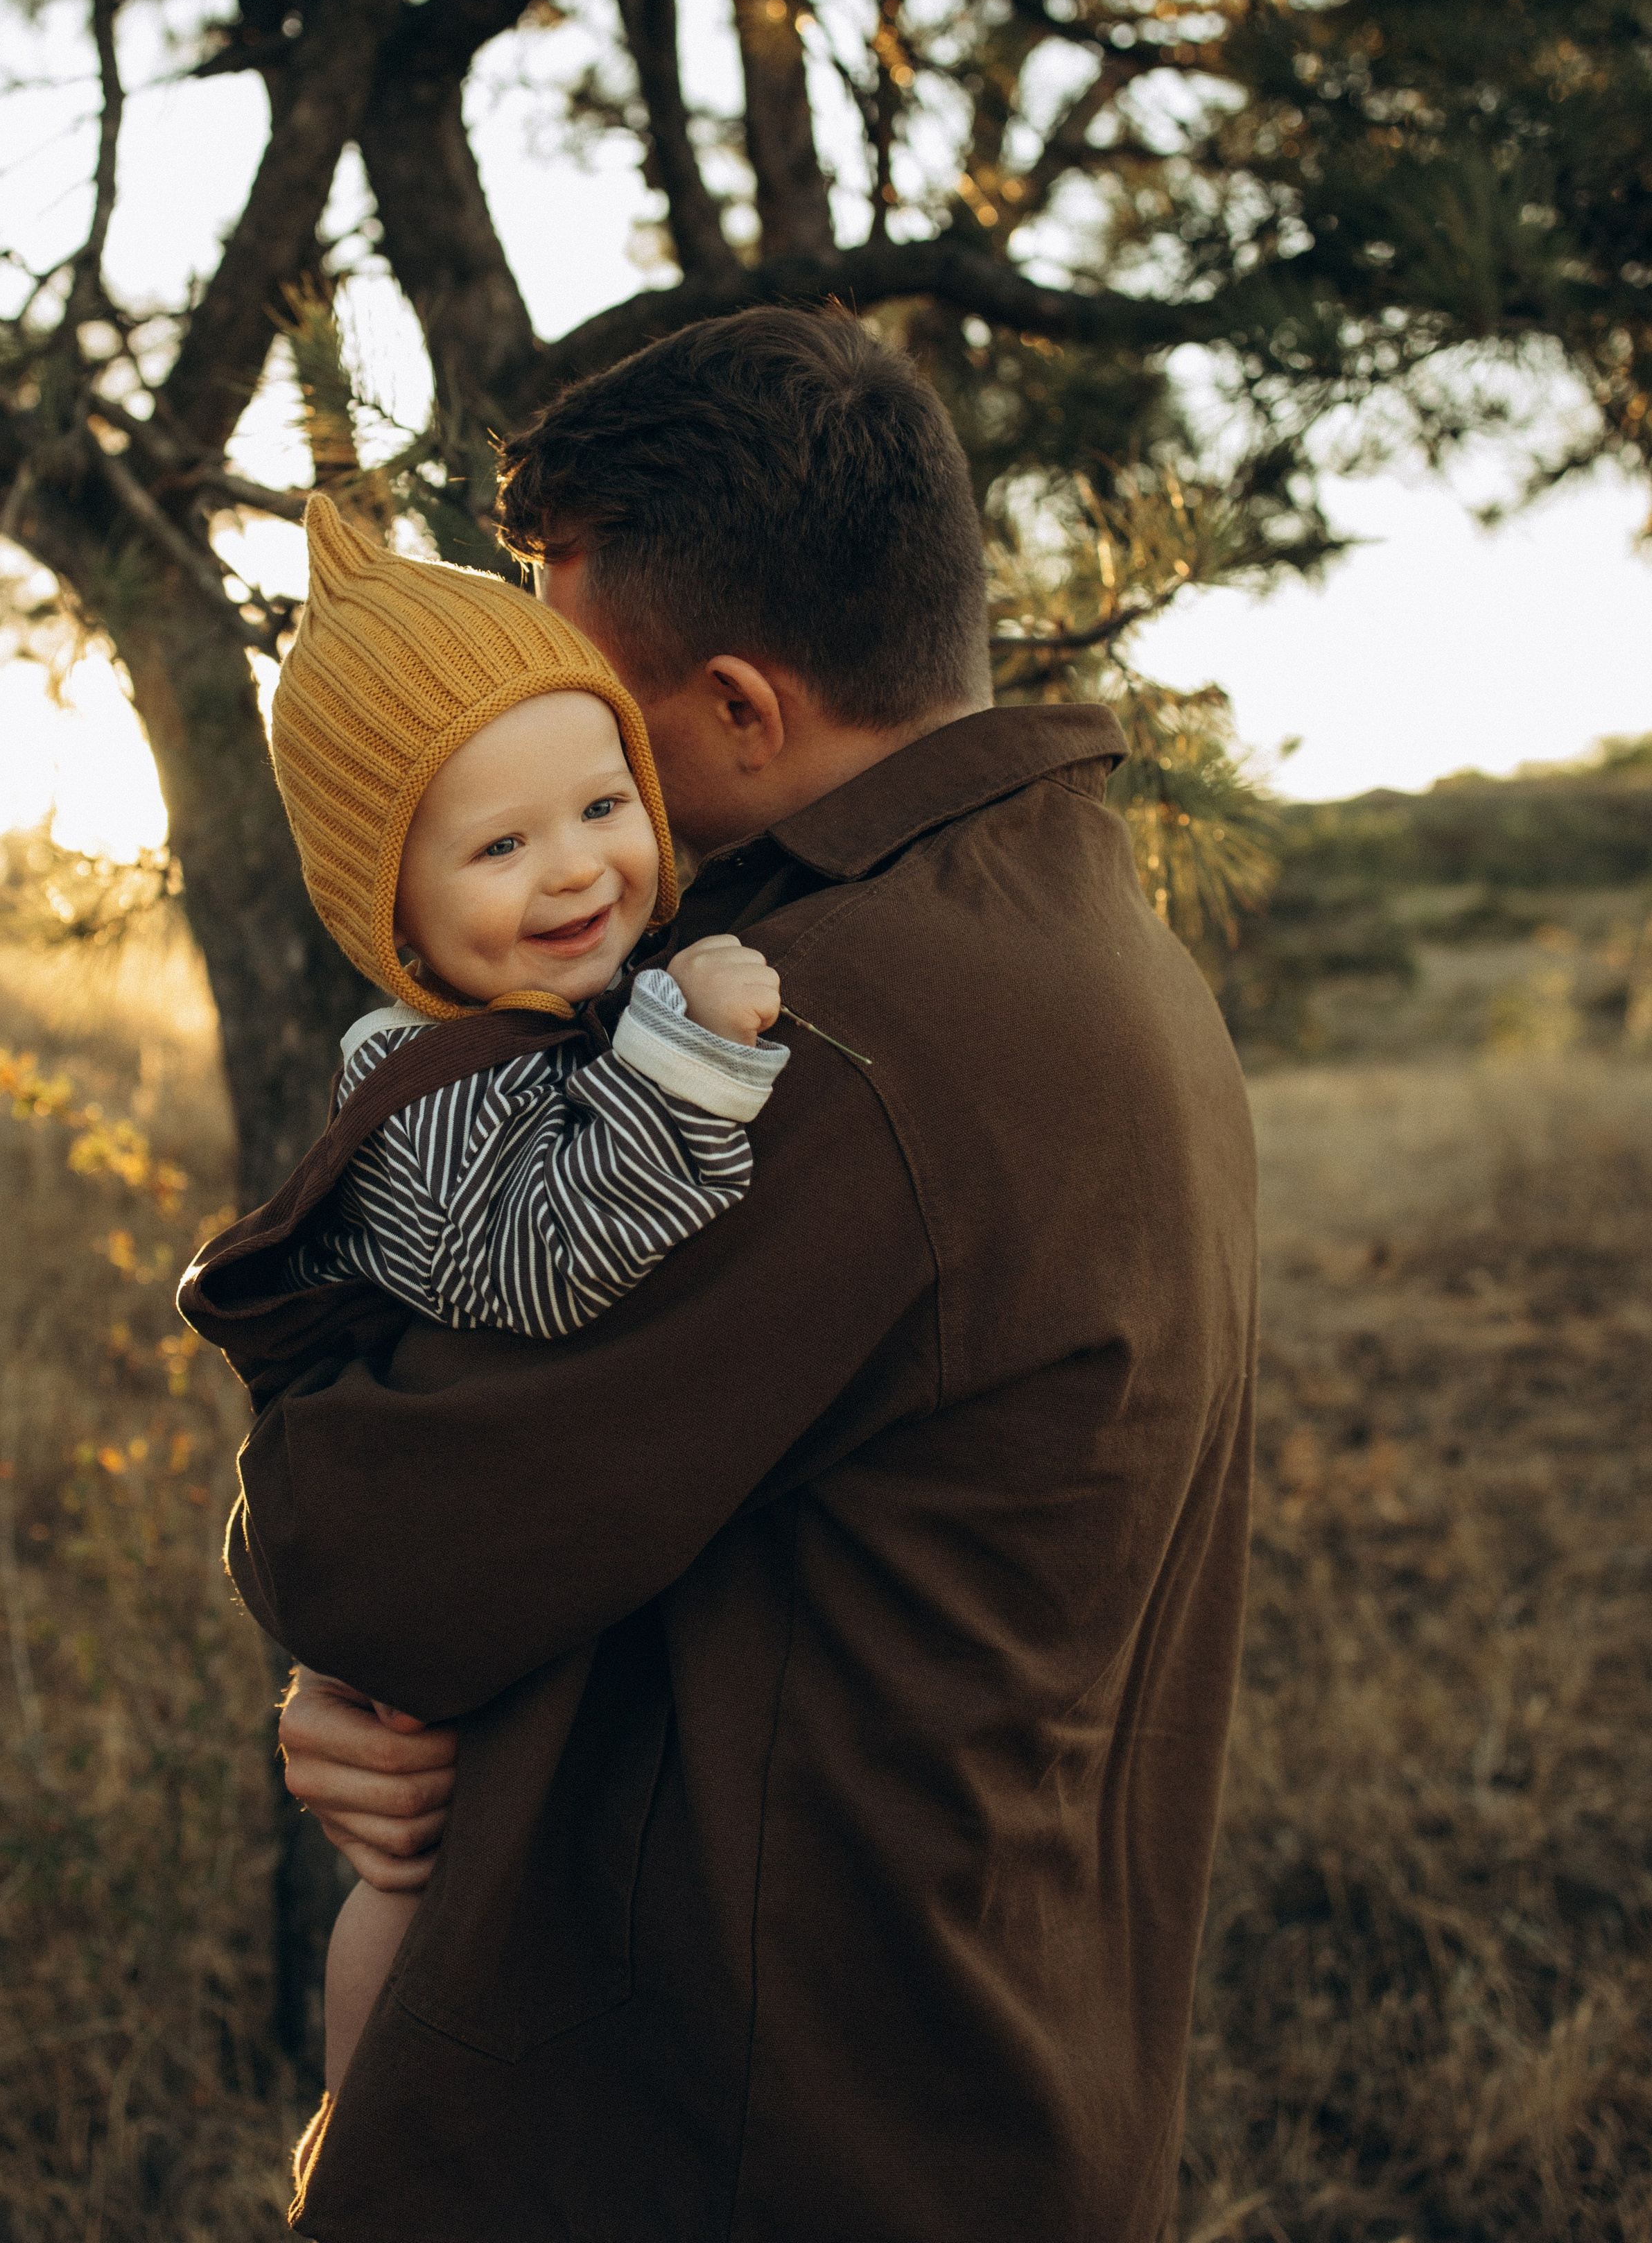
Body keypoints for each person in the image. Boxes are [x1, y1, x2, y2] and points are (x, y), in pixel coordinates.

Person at [196, 307, 1259, 2243]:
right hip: (1001, 2057)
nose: (572, 779)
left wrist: (334, 1620)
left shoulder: (816, 1046)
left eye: (590, 717)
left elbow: (378, 1554)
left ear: (746, 712)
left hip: (772, 2133)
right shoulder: (1101, 943)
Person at [186, 492, 788, 2092]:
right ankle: (371, 2145)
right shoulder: (423, 1075)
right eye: (499, 845)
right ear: (393, 908)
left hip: (508, 1560)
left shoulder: (580, 1009)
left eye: (603, 802)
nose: (574, 868)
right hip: (433, 1588)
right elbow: (530, 1267)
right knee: (420, 1893)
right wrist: (690, 1060)